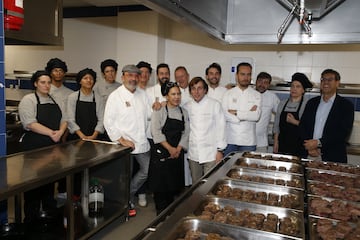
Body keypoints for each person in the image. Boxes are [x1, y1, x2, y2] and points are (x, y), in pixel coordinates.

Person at [18, 70, 67, 222]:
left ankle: (48, 222)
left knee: (48, 186)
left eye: (48, 82)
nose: (46, 85)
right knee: (33, 188)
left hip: (52, 148)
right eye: (42, 82)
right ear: (35, 84)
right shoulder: (28, 100)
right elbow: (30, 123)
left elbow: (65, 117)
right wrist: (53, 133)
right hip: (34, 148)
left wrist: (61, 131)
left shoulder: (55, 99)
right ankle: (31, 223)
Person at [104, 64, 152, 217]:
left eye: (136, 75)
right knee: (125, 176)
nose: (133, 78)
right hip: (125, 145)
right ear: (123, 77)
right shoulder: (115, 96)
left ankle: (128, 194)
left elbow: (149, 115)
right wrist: (121, 139)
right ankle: (126, 202)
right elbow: (108, 122)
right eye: (129, 75)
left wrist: (157, 108)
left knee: (147, 170)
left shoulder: (143, 94)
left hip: (142, 142)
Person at [149, 82, 190, 215]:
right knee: (161, 186)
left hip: (177, 153)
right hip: (162, 151)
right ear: (166, 96)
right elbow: (156, 132)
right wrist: (170, 148)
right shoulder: (159, 110)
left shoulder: (183, 112)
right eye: (173, 94)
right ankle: (160, 215)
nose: (176, 97)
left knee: (173, 184)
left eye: (178, 94)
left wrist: (178, 148)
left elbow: (186, 132)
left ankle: (171, 213)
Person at [300, 69, 354, 163]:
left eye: (329, 80)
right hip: (310, 154)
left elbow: (343, 132)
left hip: (333, 156)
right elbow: (303, 126)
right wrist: (309, 146)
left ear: (337, 83)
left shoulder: (346, 105)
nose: (325, 82)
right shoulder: (311, 103)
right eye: (323, 79)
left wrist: (319, 143)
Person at [184, 77, 226, 182]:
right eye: (193, 89)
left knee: (210, 183)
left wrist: (220, 150)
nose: (196, 92)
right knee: (196, 183)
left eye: (199, 88)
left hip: (211, 153)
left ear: (205, 90)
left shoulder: (215, 104)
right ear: (190, 91)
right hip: (193, 152)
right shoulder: (186, 107)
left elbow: (221, 128)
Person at [222, 62, 262, 156]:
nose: (245, 77)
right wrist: (245, 115)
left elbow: (256, 116)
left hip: (248, 142)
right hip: (230, 140)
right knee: (228, 169)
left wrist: (235, 112)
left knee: (247, 168)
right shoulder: (228, 94)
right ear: (237, 76)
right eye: (242, 74)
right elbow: (224, 114)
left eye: (248, 74)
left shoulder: (257, 95)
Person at [273, 72, 313, 156]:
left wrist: (294, 121)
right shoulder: (282, 103)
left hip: (299, 146)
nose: (294, 89)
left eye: (298, 86)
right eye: (292, 86)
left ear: (303, 90)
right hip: (283, 145)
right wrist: (276, 142)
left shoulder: (307, 105)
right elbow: (276, 125)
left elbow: (309, 127)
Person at [67, 68, 105, 141]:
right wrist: (81, 135)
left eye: (91, 78)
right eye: (85, 78)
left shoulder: (99, 98)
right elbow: (70, 119)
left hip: (94, 137)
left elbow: (101, 119)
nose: (88, 80)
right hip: (76, 137)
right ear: (80, 81)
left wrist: (94, 135)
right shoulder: (72, 97)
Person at [135, 60, 153, 207]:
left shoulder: (152, 91)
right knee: (139, 168)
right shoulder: (132, 91)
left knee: (147, 168)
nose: (144, 75)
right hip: (135, 137)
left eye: (147, 73)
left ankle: (145, 191)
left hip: (151, 135)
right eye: (142, 72)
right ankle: (140, 194)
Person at [174, 66, 192, 187]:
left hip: (195, 130)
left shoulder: (194, 89)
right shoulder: (175, 92)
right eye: (178, 77)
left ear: (188, 76)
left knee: (192, 161)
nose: (180, 79)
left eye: (183, 76)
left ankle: (191, 185)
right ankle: (181, 186)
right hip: (180, 131)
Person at [255, 72, 280, 152]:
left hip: (262, 142)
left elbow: (280, 114)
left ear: (269, 85)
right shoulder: (248, 94)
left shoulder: (272, 97)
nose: (262, 85)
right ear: (256, 82)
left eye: (265, 83)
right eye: (260, 81)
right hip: (245, 141)